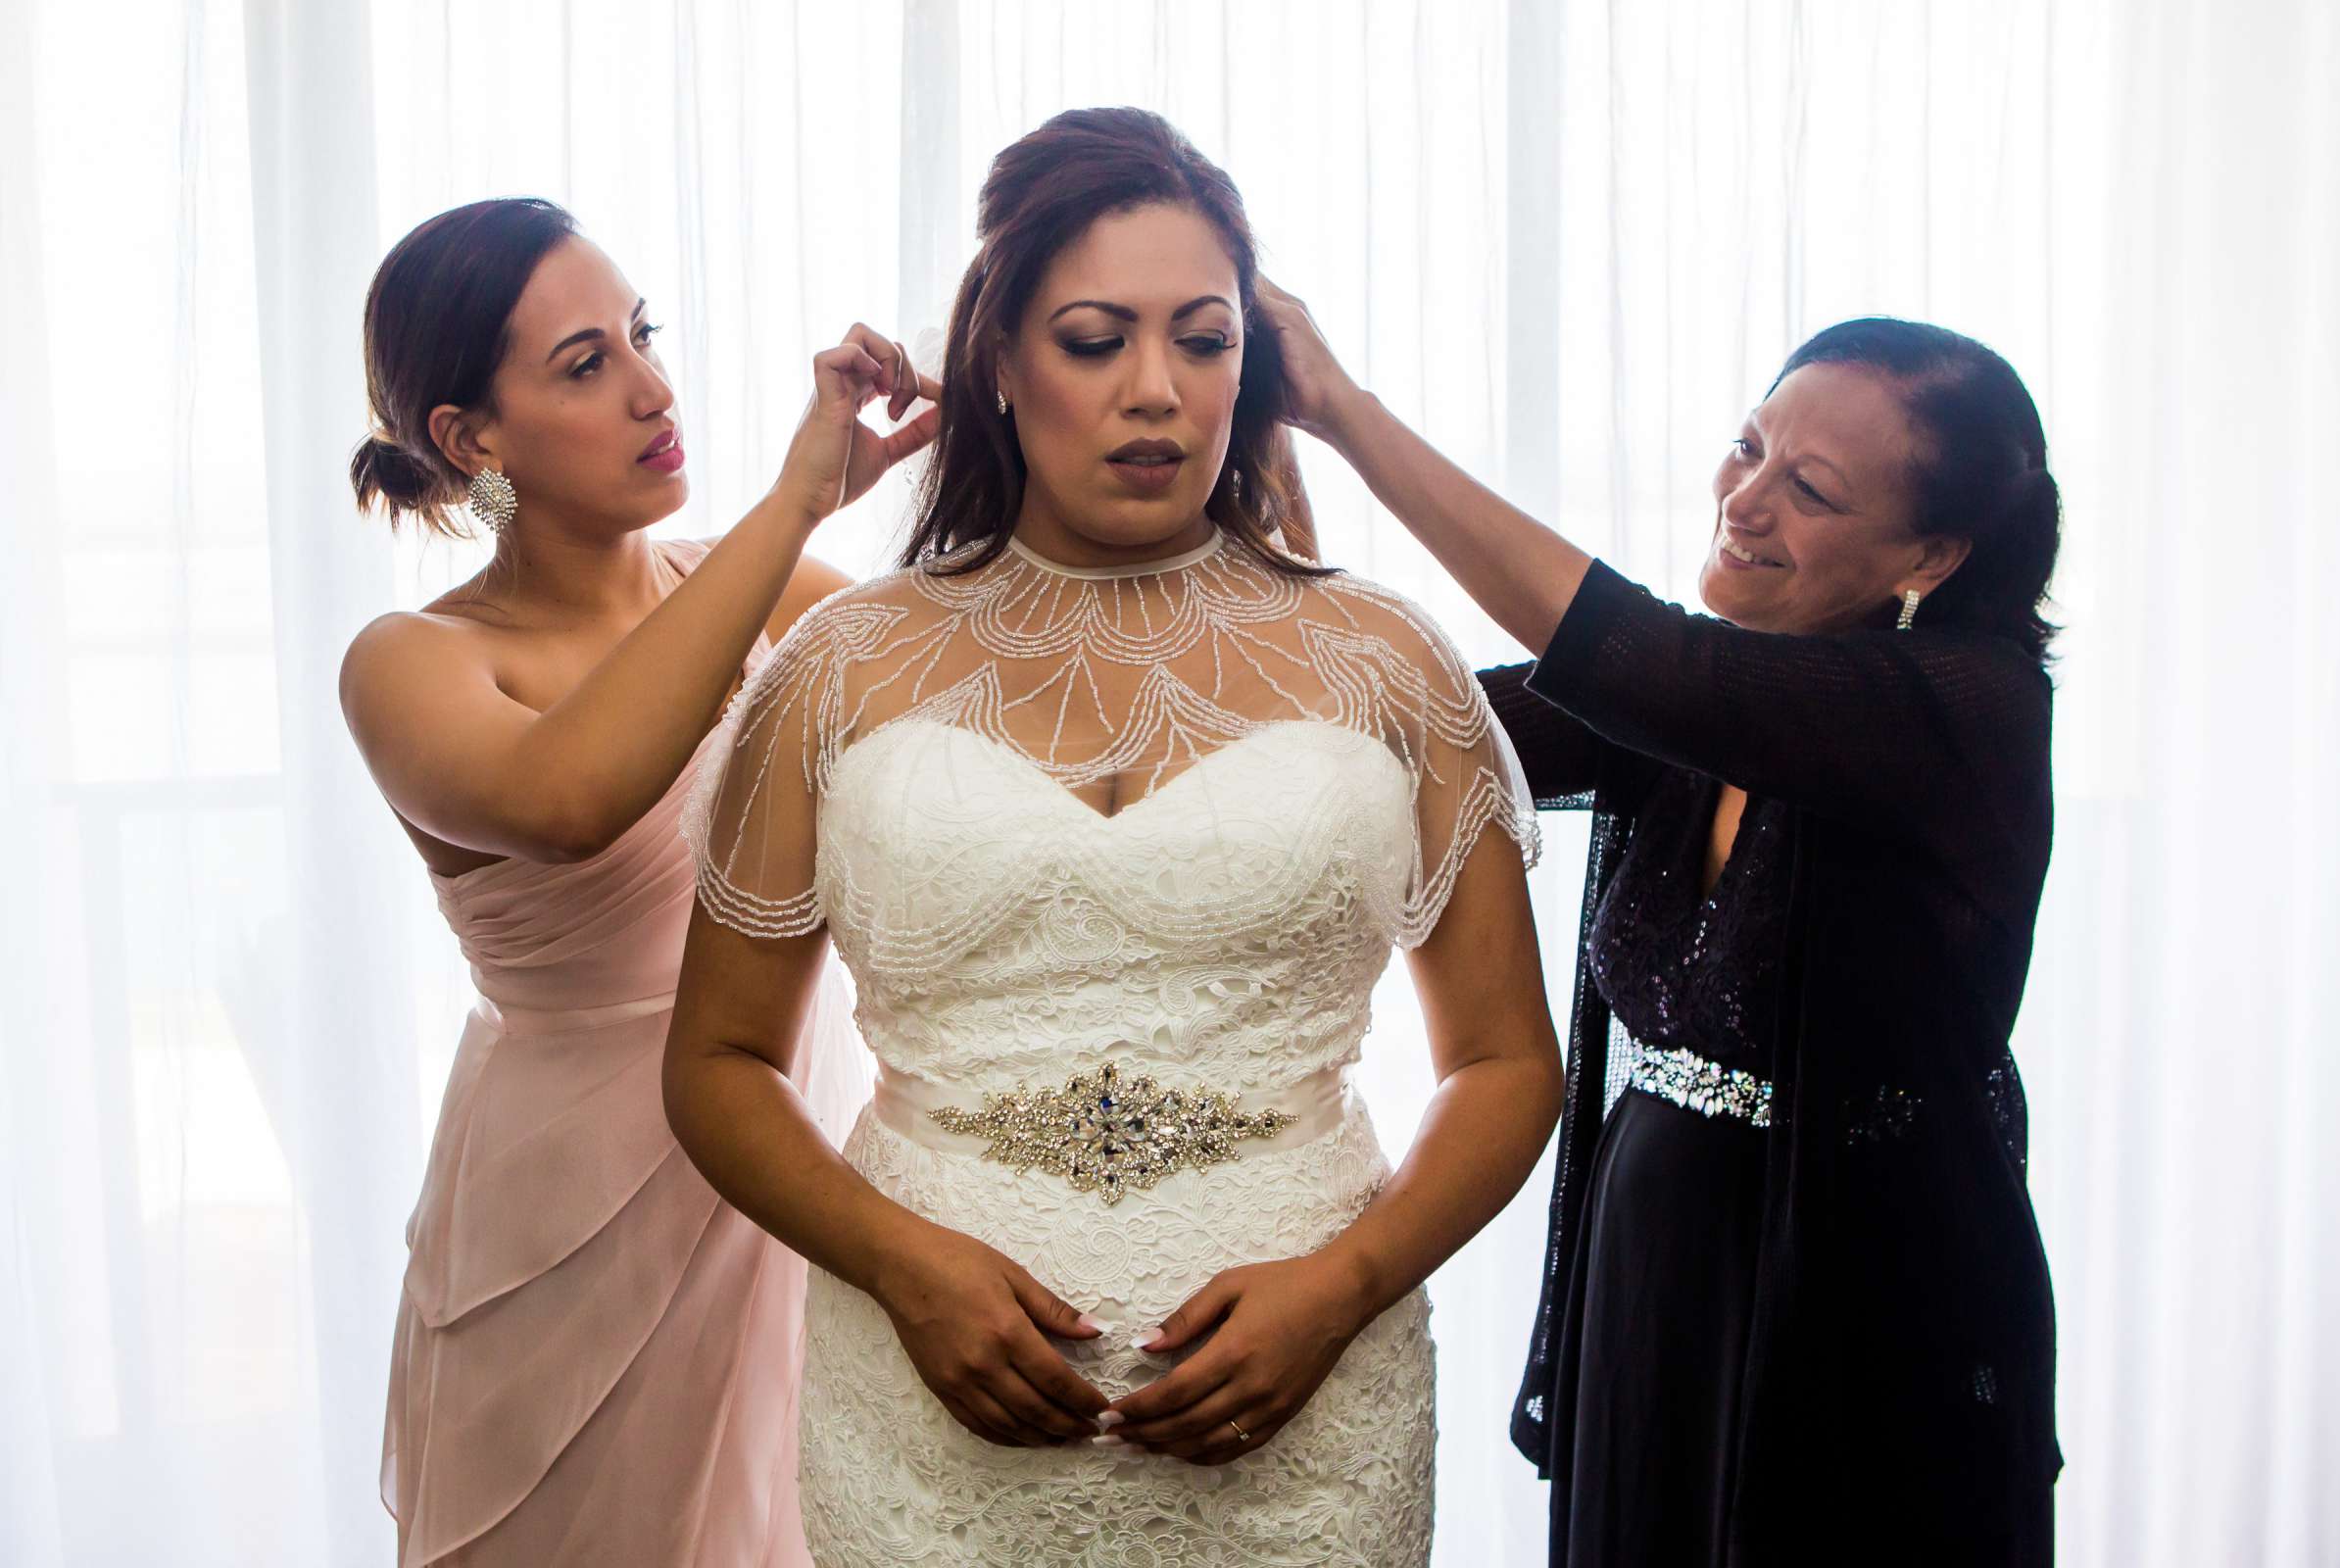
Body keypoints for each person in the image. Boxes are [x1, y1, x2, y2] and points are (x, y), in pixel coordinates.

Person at [660, 108, 1561, 1566]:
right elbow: (716, 1064)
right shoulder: (842, 664)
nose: (1159, 391)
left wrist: (1345, 1286)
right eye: (1096, 340)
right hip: (936, 1421)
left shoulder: (1385, 660)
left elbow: (1508, 1063)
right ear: (1000, 364)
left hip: (1309, 1421)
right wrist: (904, 1265)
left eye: (1204, 341)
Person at [1259, 283, 2065, 1565]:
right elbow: (1419, 720)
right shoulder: (1697, 711)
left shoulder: (1966, 709)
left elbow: (1636, 654)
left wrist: (1349, 414)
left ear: (1931, 559)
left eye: (1812, 489)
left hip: (1865, 1300)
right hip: (1655, 1260)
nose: (1745, 501)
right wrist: (1267, 510)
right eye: (1750, 447)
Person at [341, 195, 937, 1567]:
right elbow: (569, 799)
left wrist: (1032, 410)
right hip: (571, 1206)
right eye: (585, 363)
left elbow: (1006, 699)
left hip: (790, 1150)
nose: (654, 387)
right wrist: (792, 505)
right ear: (469, 440)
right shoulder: (409, 663)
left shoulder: (773, 595)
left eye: (642, 335)